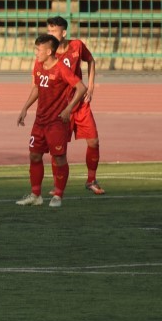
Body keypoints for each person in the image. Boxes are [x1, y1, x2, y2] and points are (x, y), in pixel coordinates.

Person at [16, 34, 87, 208]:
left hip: (56, 122)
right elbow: (38, 88)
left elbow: (81, 88)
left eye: (38, 50)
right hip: (40, 121)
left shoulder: (62, 69)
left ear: (49, 51)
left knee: (59, 157)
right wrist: (25, 108)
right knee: (34, 155)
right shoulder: (39, 65)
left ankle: (58, 195)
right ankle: (36, 195)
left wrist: (68, 109)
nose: (36, 53)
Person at [46, 16, 104, 194]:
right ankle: (57, 186)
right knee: (58, 150)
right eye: (48, 30)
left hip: (79, 104)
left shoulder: (77, 46)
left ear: (63, 33)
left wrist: (91, 85)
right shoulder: (49, 53)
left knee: (93, 141)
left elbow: (91, 60)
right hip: (60, 107)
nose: (50, 34)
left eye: (53, 31)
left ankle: (91, 180)